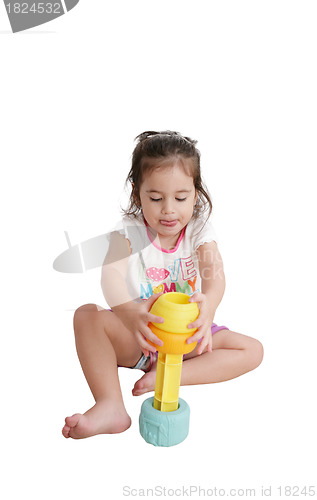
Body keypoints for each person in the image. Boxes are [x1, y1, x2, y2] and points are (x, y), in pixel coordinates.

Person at [62, 130, 264, 439]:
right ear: (136, 194)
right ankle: (110, 405)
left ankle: (171, 375)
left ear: (196, 194)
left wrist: (208, 305)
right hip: (143, 339)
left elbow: (215, 271)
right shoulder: (128, 232)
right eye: (156, 198)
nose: (168, 209)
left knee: (252, 350)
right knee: (86, 315)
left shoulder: (198, 230)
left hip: (189, 339)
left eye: (180, 198)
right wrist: (130, 315)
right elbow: (110, 275)